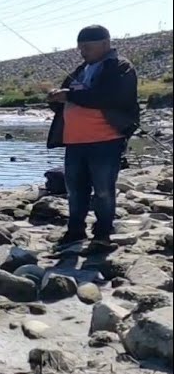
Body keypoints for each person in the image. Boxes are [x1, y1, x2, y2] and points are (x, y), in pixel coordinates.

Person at [45, 25, 140, 253]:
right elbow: (68, 99)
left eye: (87, 47)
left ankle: (102, 235)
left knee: (103, 190)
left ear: (105, 44)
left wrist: (70, 95)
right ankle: (75, 231)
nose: (82, 52)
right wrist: (55, 99)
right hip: (75, 141)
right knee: (75, 190)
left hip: (106, 140)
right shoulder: (80, 70)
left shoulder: (121, 67)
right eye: (80, 48)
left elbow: (109, 97)